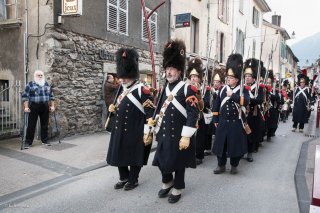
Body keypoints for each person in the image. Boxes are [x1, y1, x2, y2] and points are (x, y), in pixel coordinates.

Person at [149, 39, 199, 203]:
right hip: (164, 132)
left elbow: (193, 113)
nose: (169, 72)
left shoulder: (187, 88)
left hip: (179, 133)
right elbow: (159, 109)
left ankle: (178, 187)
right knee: (162, 159)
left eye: (172, 69)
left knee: (179, 162)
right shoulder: (164, 88)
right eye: (167, 68)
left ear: (179, 71)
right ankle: (167, 181)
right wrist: (151, 125)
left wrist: (186, 135)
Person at [106, 48, 154, 191]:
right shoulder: (121, 88)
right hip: (119, 128)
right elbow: (118, 104)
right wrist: (113, 109)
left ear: (131, 74)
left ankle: (133, 179)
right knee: (118, 153)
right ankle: (124, 177)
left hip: (136, 129)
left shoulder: (142, 90)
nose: (122, 79)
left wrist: (148, 131)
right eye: (121, 76)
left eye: (124, 76)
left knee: (135, 156)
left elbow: (150, 112)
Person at [212, 53, 249, 175]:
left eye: (231, 78)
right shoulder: (222, 89)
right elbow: (216, 105)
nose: (228, 79)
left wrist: (233, 96)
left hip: (236, 122)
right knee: (220, 146)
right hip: (222, 122)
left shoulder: (243, 89)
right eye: (227, 77)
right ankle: (220, 165)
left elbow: (246, 102)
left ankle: (234, 165)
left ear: (237, 79)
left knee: (235, 146)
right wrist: (216, 119)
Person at [185, 57, 210, 165]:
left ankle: (199, 155)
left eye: (196, 76)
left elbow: (206, 104)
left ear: (199, 78)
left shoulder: (205, 88)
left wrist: (199, 94)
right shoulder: (186, 87)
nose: (194, 78)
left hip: (199, 115)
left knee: (199, 137)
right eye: (192, 76)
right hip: (188, 114)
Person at [21, 70, 55, 149]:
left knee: (45, 124)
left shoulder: (46, 84)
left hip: (45, 106)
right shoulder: (30, 84)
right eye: (38, 75)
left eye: (41, 75)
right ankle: (28, 142)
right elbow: (25, 97)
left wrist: (52, 106)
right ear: (35, 76)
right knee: (31, 125)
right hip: (34, 106)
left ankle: (45, 140)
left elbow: (51, 96)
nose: (40, 77)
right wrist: (26, 107)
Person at [243, 58, 264, 161]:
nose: (247, 78)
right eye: (246, 76)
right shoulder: (241, 86)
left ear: (253, 77)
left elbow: (260, 100)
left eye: (249, 76)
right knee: (242, 133)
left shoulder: (258, 87)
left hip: (253, 113)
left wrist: (249, 100)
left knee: (251, 133)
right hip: (242, 112)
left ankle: (250, 152)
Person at [206, 68, 225, 156]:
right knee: (209, 132)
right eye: (214, 81)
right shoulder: (210, 90)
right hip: (210, 112)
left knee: (217, 132)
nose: (215, 83)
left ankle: (217, 148)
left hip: (218, 113)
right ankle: (208, 148)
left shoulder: (222, 91)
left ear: (221, 83)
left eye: (217, 82)